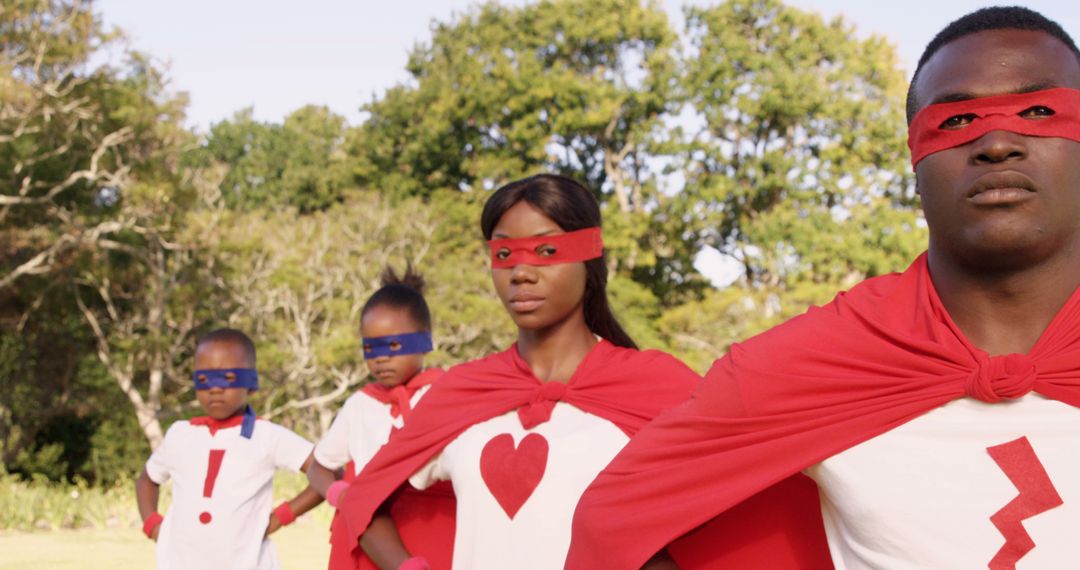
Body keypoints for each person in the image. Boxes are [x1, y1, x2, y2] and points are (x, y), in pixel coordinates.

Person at [566, 6, 1080, 569]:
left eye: (1038, 110)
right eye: (956, 121)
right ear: (915, 157)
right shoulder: (809, 364)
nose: (997, 142)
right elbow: (613, 523)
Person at [337, 174, 703, 569]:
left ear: (590, 259)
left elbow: (724, 505)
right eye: (505, 255)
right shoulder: (463, 390)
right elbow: (364, 497)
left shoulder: (655, 385)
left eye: (546, 250)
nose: (521, 273)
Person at [135, 328, 323, 570]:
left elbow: (326, 471)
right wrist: (152, 525)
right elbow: (147, 480)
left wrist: (280, 517)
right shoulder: (180, 434)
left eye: (228, 378)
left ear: (251, 384)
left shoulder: (266, 435)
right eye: (204, 380)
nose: (215, 388)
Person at [307, 265, 455, 570]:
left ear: (424, 340)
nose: (381, 357)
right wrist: (339, 494)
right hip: (369, 532)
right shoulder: (359, 405)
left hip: (434, 524)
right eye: (370, 348)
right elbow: (319, 466)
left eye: (394, 345)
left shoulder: (445, 395)